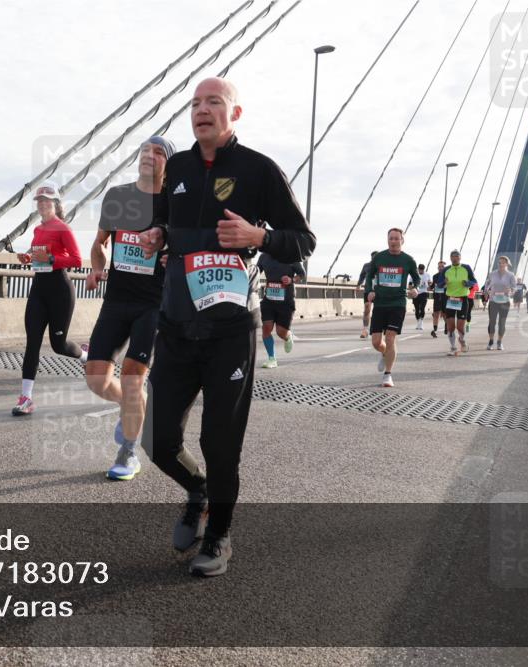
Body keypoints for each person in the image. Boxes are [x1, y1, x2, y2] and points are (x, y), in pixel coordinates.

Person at [138, 77, 315, 577]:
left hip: (231, 330)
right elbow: (167, 226)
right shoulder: (178, 169)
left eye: (214, 102)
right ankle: (197, 492)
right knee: (156, 439)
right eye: (195, 103)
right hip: (176, 324)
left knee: (220, 442)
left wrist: (259, 234)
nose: (202, 110)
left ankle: (218, 535)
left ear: (234, 114)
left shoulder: (259, 169)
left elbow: (303, 241)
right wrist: (158, 234)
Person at [84, 136, 174, 481]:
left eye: (158, 153)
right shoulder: (118, 196)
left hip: (154, 303)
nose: (149, 157)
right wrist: (96, 266)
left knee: (135, 378)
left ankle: (128, 453)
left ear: (167, 164)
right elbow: (99, 242)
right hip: (116, 300)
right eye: (145, 151)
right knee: (96, 379)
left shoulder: (170, 203)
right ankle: (131, 410)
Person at [13, 183, 88, 415]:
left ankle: (87, 355)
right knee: (32, 342)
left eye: (47, 200)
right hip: (38, 290)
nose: (43, 204)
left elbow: (76, 260)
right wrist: (29, 256)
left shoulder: (63, 228)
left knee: (59, 346)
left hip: (60, 291)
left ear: (55, 204)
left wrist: (52, 258)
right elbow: (39, 255)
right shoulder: (38, 230)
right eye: (39, 201)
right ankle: (26, 399)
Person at [364, 228, 420, 388]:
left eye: (396, 238)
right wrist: (369, 291)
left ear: (402, 241)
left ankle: (387, 374)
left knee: (390, 338)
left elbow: (416, 278)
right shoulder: (379, 258)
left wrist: (414, 288)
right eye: (391, 238)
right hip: (380, 303)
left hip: (398, 303)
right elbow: (369, 276)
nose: (393, 241)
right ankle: (384, 353)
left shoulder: (408, 260)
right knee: (376, 342)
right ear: (387, 240)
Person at [258, 252, 305, 368]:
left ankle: (288, 336)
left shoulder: (292, 255)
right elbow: (255, 271)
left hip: (286, 300)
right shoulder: (264, 256)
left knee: (280, 332)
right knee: (266, 328)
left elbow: (301, 274)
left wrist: (291, 280)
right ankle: (272, 359)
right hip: (269, 299)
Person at [442, 250, 477, 356]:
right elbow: (439, 284)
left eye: (457, 256)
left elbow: (474, 282)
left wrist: (467, 283)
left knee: (460, 327)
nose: (455, 258)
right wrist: (444, 282)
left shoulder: (466, 268)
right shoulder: (446, 269)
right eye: (452, 256)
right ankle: (453, 347)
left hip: (463, 299)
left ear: (460, 257)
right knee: (451, 326)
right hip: (450, 299)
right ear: (450, 258)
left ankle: (462, 340)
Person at [483, 256, 517, 350]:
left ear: (507, 264)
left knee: (502, 323)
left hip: (505, 302)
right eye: (499, 262)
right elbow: (487, 284)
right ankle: (490, 341)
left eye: (503, 262)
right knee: (492, 322)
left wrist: (510, 291)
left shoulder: (511, 275)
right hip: (493, 301)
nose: (501, 264)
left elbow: (514, 288)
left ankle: (499, 342)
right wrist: (486, 291)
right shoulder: (492, 274)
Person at [357, 251, 379, 338]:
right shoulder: (366, 266)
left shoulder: (382, 266)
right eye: (373, 257)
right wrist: (359, 284)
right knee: (367, 309)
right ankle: (365, 329)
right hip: (368, 290)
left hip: (379, 291)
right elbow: (362, 275)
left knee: (378, 311)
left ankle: (377, 329)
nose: (374, 259)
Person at [411, 263, 432, 330]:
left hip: (424, 292)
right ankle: (418, 322)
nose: (421, 271)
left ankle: (421, 322)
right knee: (417, 309)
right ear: (418, 269)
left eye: (422, 270)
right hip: (416, 293)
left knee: (422, 307)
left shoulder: (427, 274)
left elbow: (430, 283)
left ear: (424, 269)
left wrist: (429, 284)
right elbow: (410, 283)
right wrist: (411, 288)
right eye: (420, 270)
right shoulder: (414, 275)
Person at [430, 260, 447, 338]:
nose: (440, 268)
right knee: (436, 314)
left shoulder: (447, 276)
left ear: (444, 267)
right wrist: (430, 286)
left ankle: (446, 326)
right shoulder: (435, 276)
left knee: (444, 314)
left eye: (442, 266)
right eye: (439, 266)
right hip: (437, 297)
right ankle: (435, 330)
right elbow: (432, 286)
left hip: (445, 297)